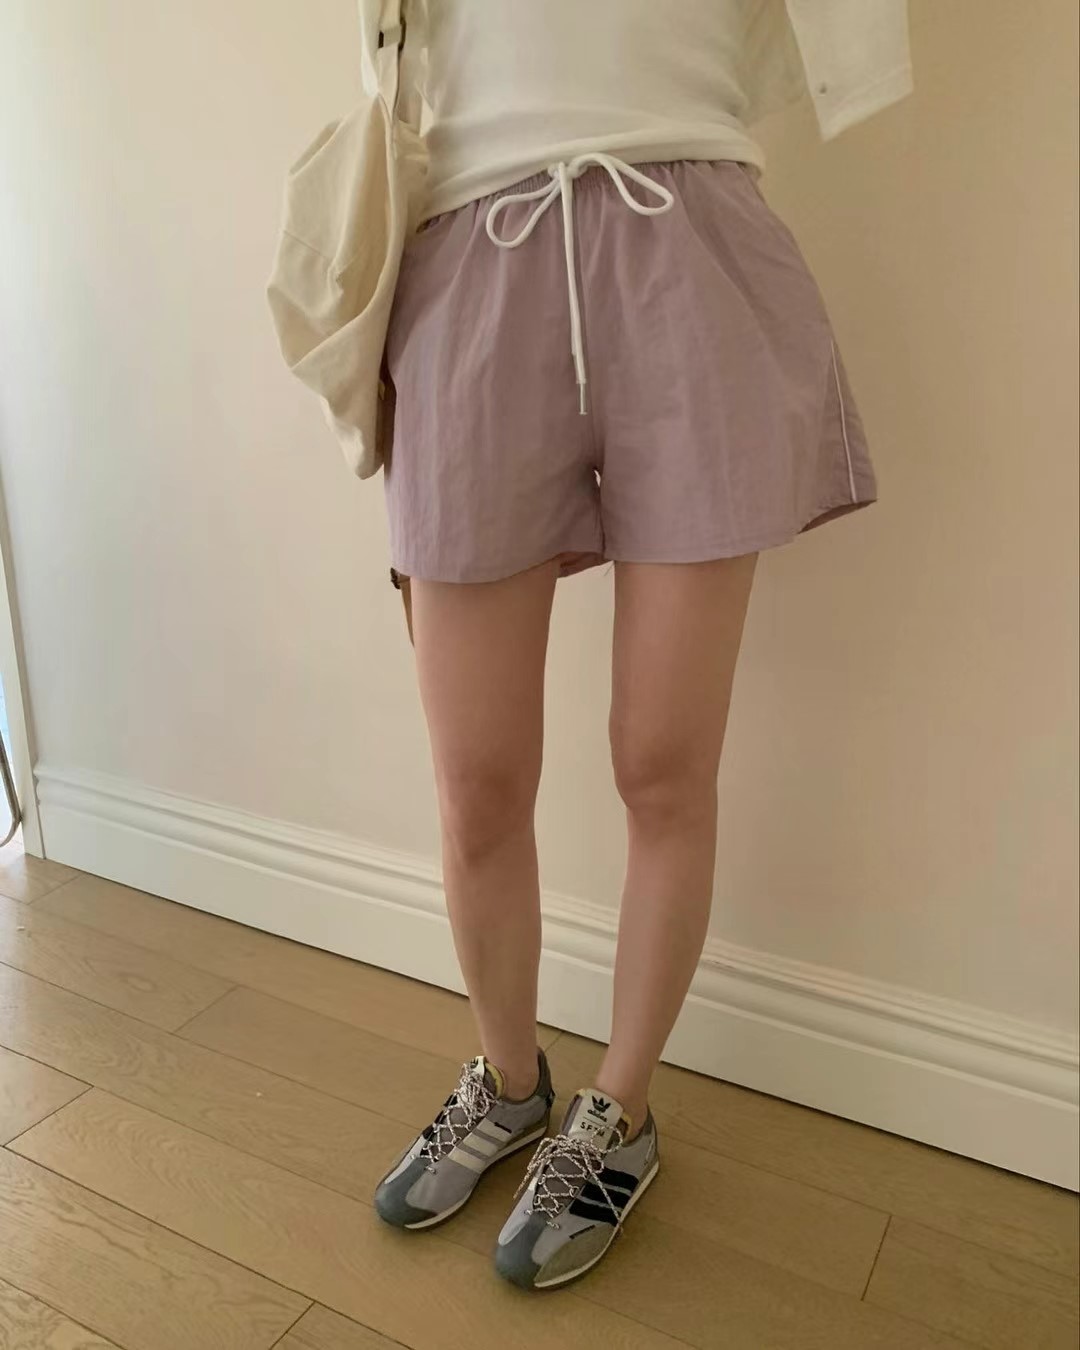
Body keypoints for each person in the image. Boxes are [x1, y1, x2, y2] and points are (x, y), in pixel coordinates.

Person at [372, 0, 912, 1290]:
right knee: (476, 779)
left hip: (691, 243)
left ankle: (621, 1108)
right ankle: (510, 1081)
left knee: (662, 765)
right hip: (471, 254)